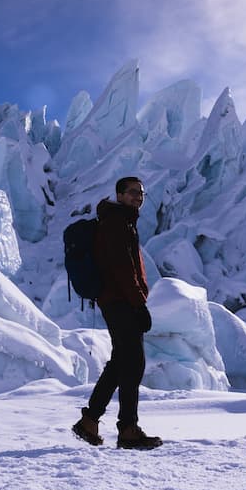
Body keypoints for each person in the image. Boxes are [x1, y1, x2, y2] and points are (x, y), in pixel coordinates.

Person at [71, 176, 163, 450]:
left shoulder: (121, 221)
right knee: (133, 363)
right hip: (120, 301)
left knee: (120, 362)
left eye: (142, 193)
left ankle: (90, 421)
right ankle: (128, 429)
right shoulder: (116, 223)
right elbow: (123, 269)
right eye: (133, 192)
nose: (139, 196)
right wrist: (138, 304)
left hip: (117, 301)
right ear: (120, 195)